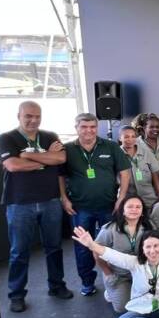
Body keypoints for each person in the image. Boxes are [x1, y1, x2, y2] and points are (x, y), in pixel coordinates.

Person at [0, 101, 73, 312]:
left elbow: (60, 158)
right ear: (18, 115)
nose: (33, 120)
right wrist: (44, 161)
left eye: (37, 116)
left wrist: (27, 155)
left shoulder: (49, 136)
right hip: (20, 203)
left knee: (54, 247)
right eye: (28, 116)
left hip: (50, 200)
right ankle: (17, 295)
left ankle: (57, 286)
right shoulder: (6, 138)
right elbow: (12, 165)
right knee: (19, 251)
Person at [60, 113, 131, 297]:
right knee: (83, 248)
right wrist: (64, 198)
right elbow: (60, 176)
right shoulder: (67, 149)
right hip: (80, 207)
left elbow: (125, 173)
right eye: (84, 127)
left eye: (92, 127)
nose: (89, 130)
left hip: (109, 206)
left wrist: (121, 198)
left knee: (112, 246)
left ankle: (114, 281)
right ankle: (87, 283)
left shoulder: (111, 146)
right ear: (76, 128)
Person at [94, 195, 153, 313]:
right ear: (123, 210)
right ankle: (110, 291)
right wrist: (108, 273)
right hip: (119, 275)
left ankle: (132, 290)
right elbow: (96, 250)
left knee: (152, 302)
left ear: (142, 211)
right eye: (130, 206)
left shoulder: (148, 227)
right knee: (123, 309)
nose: (134, 210)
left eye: (138, 207)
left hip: (140, 272)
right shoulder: (109, 229)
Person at [119, 126, 159, 208]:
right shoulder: (116, 154)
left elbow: (155, 174)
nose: (130, 140)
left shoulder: (145, 152)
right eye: (126, 137)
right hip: (127, 198)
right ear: (120, 138)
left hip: (148, 197)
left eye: (133, 136)